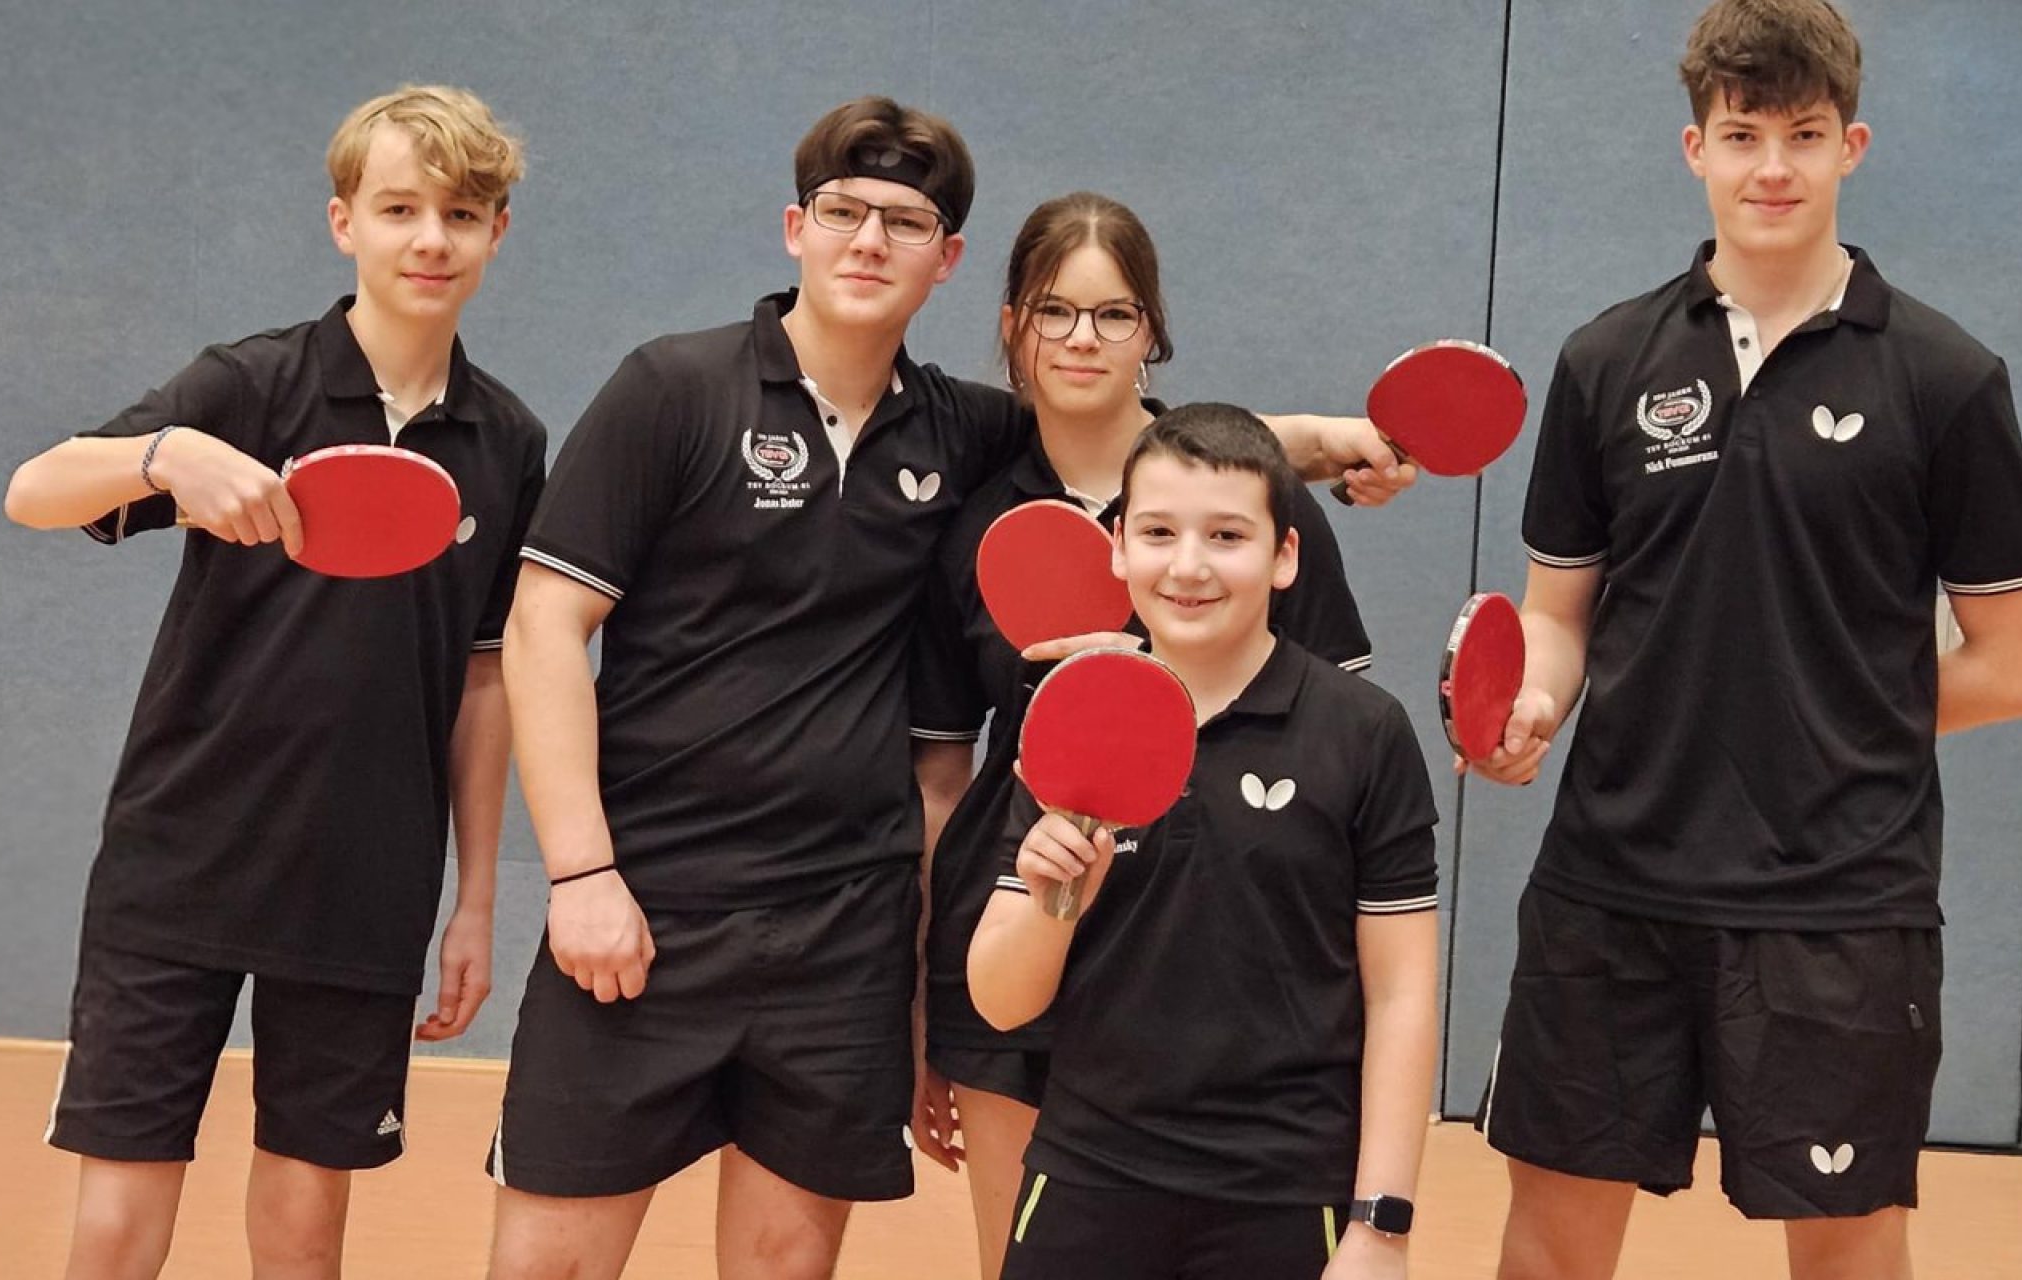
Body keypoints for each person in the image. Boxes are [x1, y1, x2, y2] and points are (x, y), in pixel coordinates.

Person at [488, 97, 1411, 1280]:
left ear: (947, 257)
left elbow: (1126, 440)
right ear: (795, 226)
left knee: (782, 1262)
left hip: (840, 929)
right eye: (843, 213)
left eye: (904, 221)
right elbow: (541, 626)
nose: (869, 240)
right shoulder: (674, 390)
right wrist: (579, 870)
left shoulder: (952, 429)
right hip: (650, 901)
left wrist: (1305, 442)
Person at [1465, 4, 2022, 1277]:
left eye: (1801, 134)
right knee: (1551, 1240)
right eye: (1741, 134)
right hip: (1608, 886)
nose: (1772, 167)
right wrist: (1533, 704)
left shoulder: (1945, 378)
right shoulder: (1606, 359)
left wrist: (1828, 721)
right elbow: (1559, 612)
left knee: (1845, 1249)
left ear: (1851, 144)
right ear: (1696, 149)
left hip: (1838, 902)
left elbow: (2018, 662)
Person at [2, 84, 544, 1280]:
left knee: (304, 1236)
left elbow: (487, 681)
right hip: (179, 862)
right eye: (398, 207)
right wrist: (164, 452)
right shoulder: (247, 386)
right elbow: (33, 490)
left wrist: (475, 899)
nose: (429, 238)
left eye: (461, 212)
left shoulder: (507, 440)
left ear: (497, 232)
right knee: (115, 1224)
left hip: (364, 882)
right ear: (343, 220)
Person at [909, 192, 1374, 1280]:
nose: (1081, 338)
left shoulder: (1242, 504)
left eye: (1113, 314)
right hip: (1019, 933)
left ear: (1150, 330)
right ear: (1012, 324)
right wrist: (927, 1002)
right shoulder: (971, 515)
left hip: (1210, 974)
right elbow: (940, 779)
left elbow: (1335, 766)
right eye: (1053, 311)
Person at [967, 403, 1441, 1280]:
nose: (1188, 566)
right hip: (1089, 1175)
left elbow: (1403, 991)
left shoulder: (1364, 732)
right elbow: (1001, 1002)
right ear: (1116, 548)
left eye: (1227, 535)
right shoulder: (1076, 714)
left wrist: (1383, 1223)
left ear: (1285, 554)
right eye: (1156, 531)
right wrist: (1050, 900)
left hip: (1288, 1191)